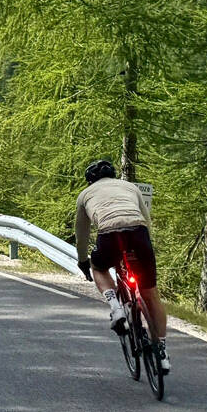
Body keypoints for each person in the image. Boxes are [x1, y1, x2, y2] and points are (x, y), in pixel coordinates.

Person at [74, 158, 169, 374]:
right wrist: (146, 248)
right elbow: (146, 220)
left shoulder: (85, 195)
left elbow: (82, 234)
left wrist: (82, 261)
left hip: (109, 234)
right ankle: (162, 352)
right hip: (138, 234)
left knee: (99, 267)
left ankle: (115, 307)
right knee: (151, 294)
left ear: (90, 181)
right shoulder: (130, 187)